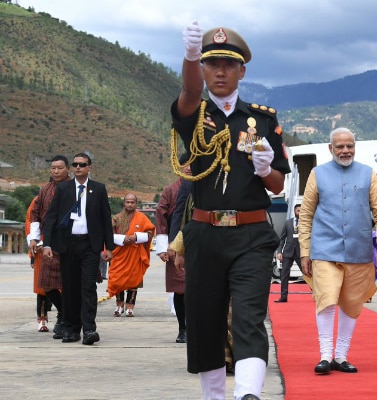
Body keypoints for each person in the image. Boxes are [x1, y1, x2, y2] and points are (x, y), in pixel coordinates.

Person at [171, 22, 290, 400]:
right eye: (211, 64)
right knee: (204, 320)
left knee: (248, 315)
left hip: (251, 234)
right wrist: (190, 56)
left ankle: (248, 394)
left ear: (242, 71)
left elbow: (277, 185)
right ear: (204, 69)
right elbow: (189, 91)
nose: (219, 71)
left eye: (228, 64)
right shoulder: (194, 116)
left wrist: (265, 168)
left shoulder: (263, 120)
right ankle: (215, 397)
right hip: (205, 234)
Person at [298, 127, 377, 375]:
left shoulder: (367, 174)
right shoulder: (317, 174)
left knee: (351, 304)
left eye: (349, 145)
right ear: (330, 149)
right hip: (324, 249)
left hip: (358, 251)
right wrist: (305, 251)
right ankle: (325, 356)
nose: (345, 150)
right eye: (339, 146)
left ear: (354, 147)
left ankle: (341, 356)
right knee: (327, 300)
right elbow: (305, 216)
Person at [42, 153, 114, 345]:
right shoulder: (64, 189)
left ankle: (89, 329)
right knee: (70, 288)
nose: (78, 167)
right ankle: (71, 329)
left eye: (82, 164)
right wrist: (47, 244)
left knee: (88, 287)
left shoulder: (98, 189)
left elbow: (105, 219)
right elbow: (52, 217)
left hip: (90, 246)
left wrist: (109, 247)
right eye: (75, 164)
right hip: (68, 245)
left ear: (89, 167)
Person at [27, 155, 72, 339]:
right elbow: (35, 215)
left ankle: (69, 321)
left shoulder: (75, 188)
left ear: (67, 169)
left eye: (59, 168)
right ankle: (63, 312)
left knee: (71, 283)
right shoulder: (44, 190)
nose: (56, 171)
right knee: (45, 283)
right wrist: (34, 239)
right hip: (49, 243)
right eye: (53, 168)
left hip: (71, 242)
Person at [155, 153, 191, 343]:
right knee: (179, 289)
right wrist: (165, 247)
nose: (189, 168)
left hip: (202, 243)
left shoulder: (206, 186)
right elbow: (161, 217)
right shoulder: (170, 190)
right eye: (185, 164)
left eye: (193, 163)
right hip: (177, 245)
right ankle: (182, 329)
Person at [107, 194, 155, 317]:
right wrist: (123, 239)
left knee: (134, 281)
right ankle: (119, 305)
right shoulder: (116, 218)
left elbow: (150, 232)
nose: (130, 204)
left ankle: (130, 307)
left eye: (132, 202)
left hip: (135, 254)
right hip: (119, 254)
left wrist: (137, 237)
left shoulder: (142, 218)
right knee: (117, 280)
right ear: (124, 203)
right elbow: (108, 235)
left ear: (136, 203)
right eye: (127, 202)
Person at [26, 196, 53, 332]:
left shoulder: (70, 194)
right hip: (41, 249)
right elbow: (30, 223)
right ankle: (43, 319)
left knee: (65, 287)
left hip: (63, 246)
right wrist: (35, 249)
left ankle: (64, 319)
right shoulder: (38, 200)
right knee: (42, 288)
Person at [274, 204, 302, 303]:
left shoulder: (306, 223)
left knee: (308, 274)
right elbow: (282, 239)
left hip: (301, 252)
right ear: (295, 211)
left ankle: (316, 294)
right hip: (288, 252)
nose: (300, 212)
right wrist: (279, 251)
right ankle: (283, 296)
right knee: (284, 274)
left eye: (301, 210)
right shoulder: (287, 223)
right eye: (298, 210)